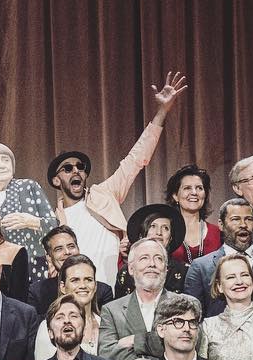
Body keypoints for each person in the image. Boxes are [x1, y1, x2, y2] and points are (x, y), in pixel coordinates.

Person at [46, 72, 188, 285]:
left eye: (80, 167)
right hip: (80, 291)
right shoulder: (53, 219)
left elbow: (136, 159)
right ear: (56, 180)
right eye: (67, 168)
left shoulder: (105, 193)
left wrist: (161, 112)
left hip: (117, 287)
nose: (75, 171)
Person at [183, 197, 253, 317]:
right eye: (235, 219)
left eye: (248, 219)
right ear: (221, 225)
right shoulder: (201, 267)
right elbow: (193, 315)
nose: (243, 225)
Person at [0, 141, 56, 282]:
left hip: (32, 267)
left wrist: (33, 222)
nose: (2, 165)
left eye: (6, 160)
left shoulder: (28, 187)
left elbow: (55, 226)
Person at [197, 252, 253, 360]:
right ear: (219, 286)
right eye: (231, 277)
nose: (239, 281)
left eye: (244, 275)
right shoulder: (207, 326)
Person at [98, 237, 168, 360]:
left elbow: (187, 347)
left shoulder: (184, 304)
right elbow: (106, 355)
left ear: (166, 268)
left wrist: (134, 340)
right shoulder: (112, 310)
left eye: (159, 258)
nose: (152, 264)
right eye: (144, 258)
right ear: (131, 268)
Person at [29, 225, 113, 317]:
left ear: (78, 249)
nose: (67, 252)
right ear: (49, 257)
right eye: (59, 249)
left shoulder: (103, 291)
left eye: (71, 246)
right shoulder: (36, 292)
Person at [34, 253, 103, 360]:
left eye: (88, 279)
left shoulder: (105, 324)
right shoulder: (49, 327)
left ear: (95, 286)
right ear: (63, 287)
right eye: (75, 280)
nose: (83, 286)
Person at [113, 203, 188, 296]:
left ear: (170, 238)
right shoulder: (126, 271)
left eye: (165, 228)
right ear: (141, 234)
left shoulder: (184, 271)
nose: (159, 232)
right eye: (153, 226)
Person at [165, 163, 221, 266]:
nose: (194, 192)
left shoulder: (218, 233)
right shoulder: (165, 232)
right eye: (187, 188)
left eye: (199, 188)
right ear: (175, 196)